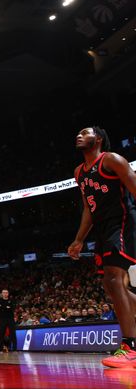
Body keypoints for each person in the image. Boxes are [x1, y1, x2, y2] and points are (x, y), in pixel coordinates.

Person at [68, 126, 136, 369]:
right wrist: (79, 239)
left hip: (123, 222)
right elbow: (88, 208)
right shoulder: (79, 172)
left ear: (97, 139)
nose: (78, 135)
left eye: (84, 132)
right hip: (102, 228)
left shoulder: (112, 160)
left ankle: (131, 347)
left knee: (115, 279)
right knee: (110, 285)